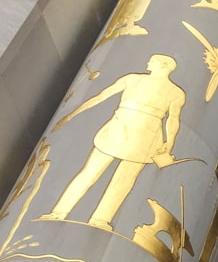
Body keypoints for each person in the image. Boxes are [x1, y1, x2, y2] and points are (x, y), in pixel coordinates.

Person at [44, 54, 187, 230]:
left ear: (164, 65)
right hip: (119, 128)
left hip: (146, 136)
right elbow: (101, 96)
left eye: (153, 60)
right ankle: (58, 212)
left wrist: (170, 141)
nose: (148, 61)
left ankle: (101, 220)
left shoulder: (175, 93)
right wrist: (73, 113)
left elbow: (173, 119)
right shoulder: (132, 79)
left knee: (124, 180)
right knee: (89, 172)